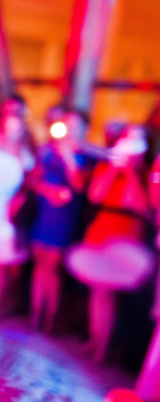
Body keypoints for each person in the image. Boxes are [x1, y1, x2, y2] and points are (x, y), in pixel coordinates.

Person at [66, 126, 154, 362]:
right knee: (97, 290)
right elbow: (96, 195)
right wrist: (115, 171)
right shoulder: (106, 167)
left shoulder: (146, 173)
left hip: (126, 234)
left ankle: (102, 348)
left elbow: (143, 206)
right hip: (103, 228)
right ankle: (95, 340)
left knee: (110, 293)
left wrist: (132, 174)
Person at [29, 110, 92, 333]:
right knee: (40, 264)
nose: (71, 129)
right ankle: (35, 315)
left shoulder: (85, 155)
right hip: (45, 212)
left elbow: (80, 186)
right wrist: (47, 190)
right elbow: (34, 179)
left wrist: (68, 157)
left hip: (65, 217)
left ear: (84, 130)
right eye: (68, 124)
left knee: (53, 267)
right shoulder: (48, 151)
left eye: (76, 126)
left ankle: (50, 319)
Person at [0, 106, 35, 319]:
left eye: (16, 128)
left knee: (0, 263)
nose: (12, 131)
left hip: (7, 212)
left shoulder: (25, 156)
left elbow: (28, 185)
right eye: (8, 126)